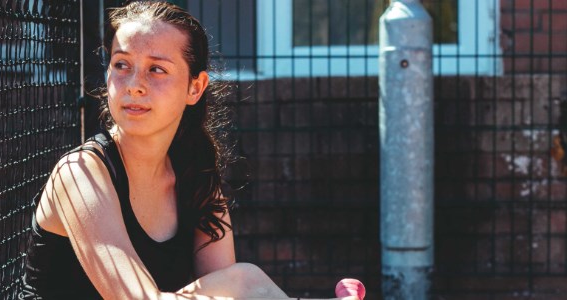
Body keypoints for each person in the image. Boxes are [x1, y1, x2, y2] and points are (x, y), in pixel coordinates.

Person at [20, 1, 366, 299]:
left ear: (195, 87)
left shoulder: (196, 178)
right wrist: (244, 285)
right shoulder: (80, 174)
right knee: (243, 281)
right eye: (121, 64)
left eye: (156, 69)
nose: (134, 85)